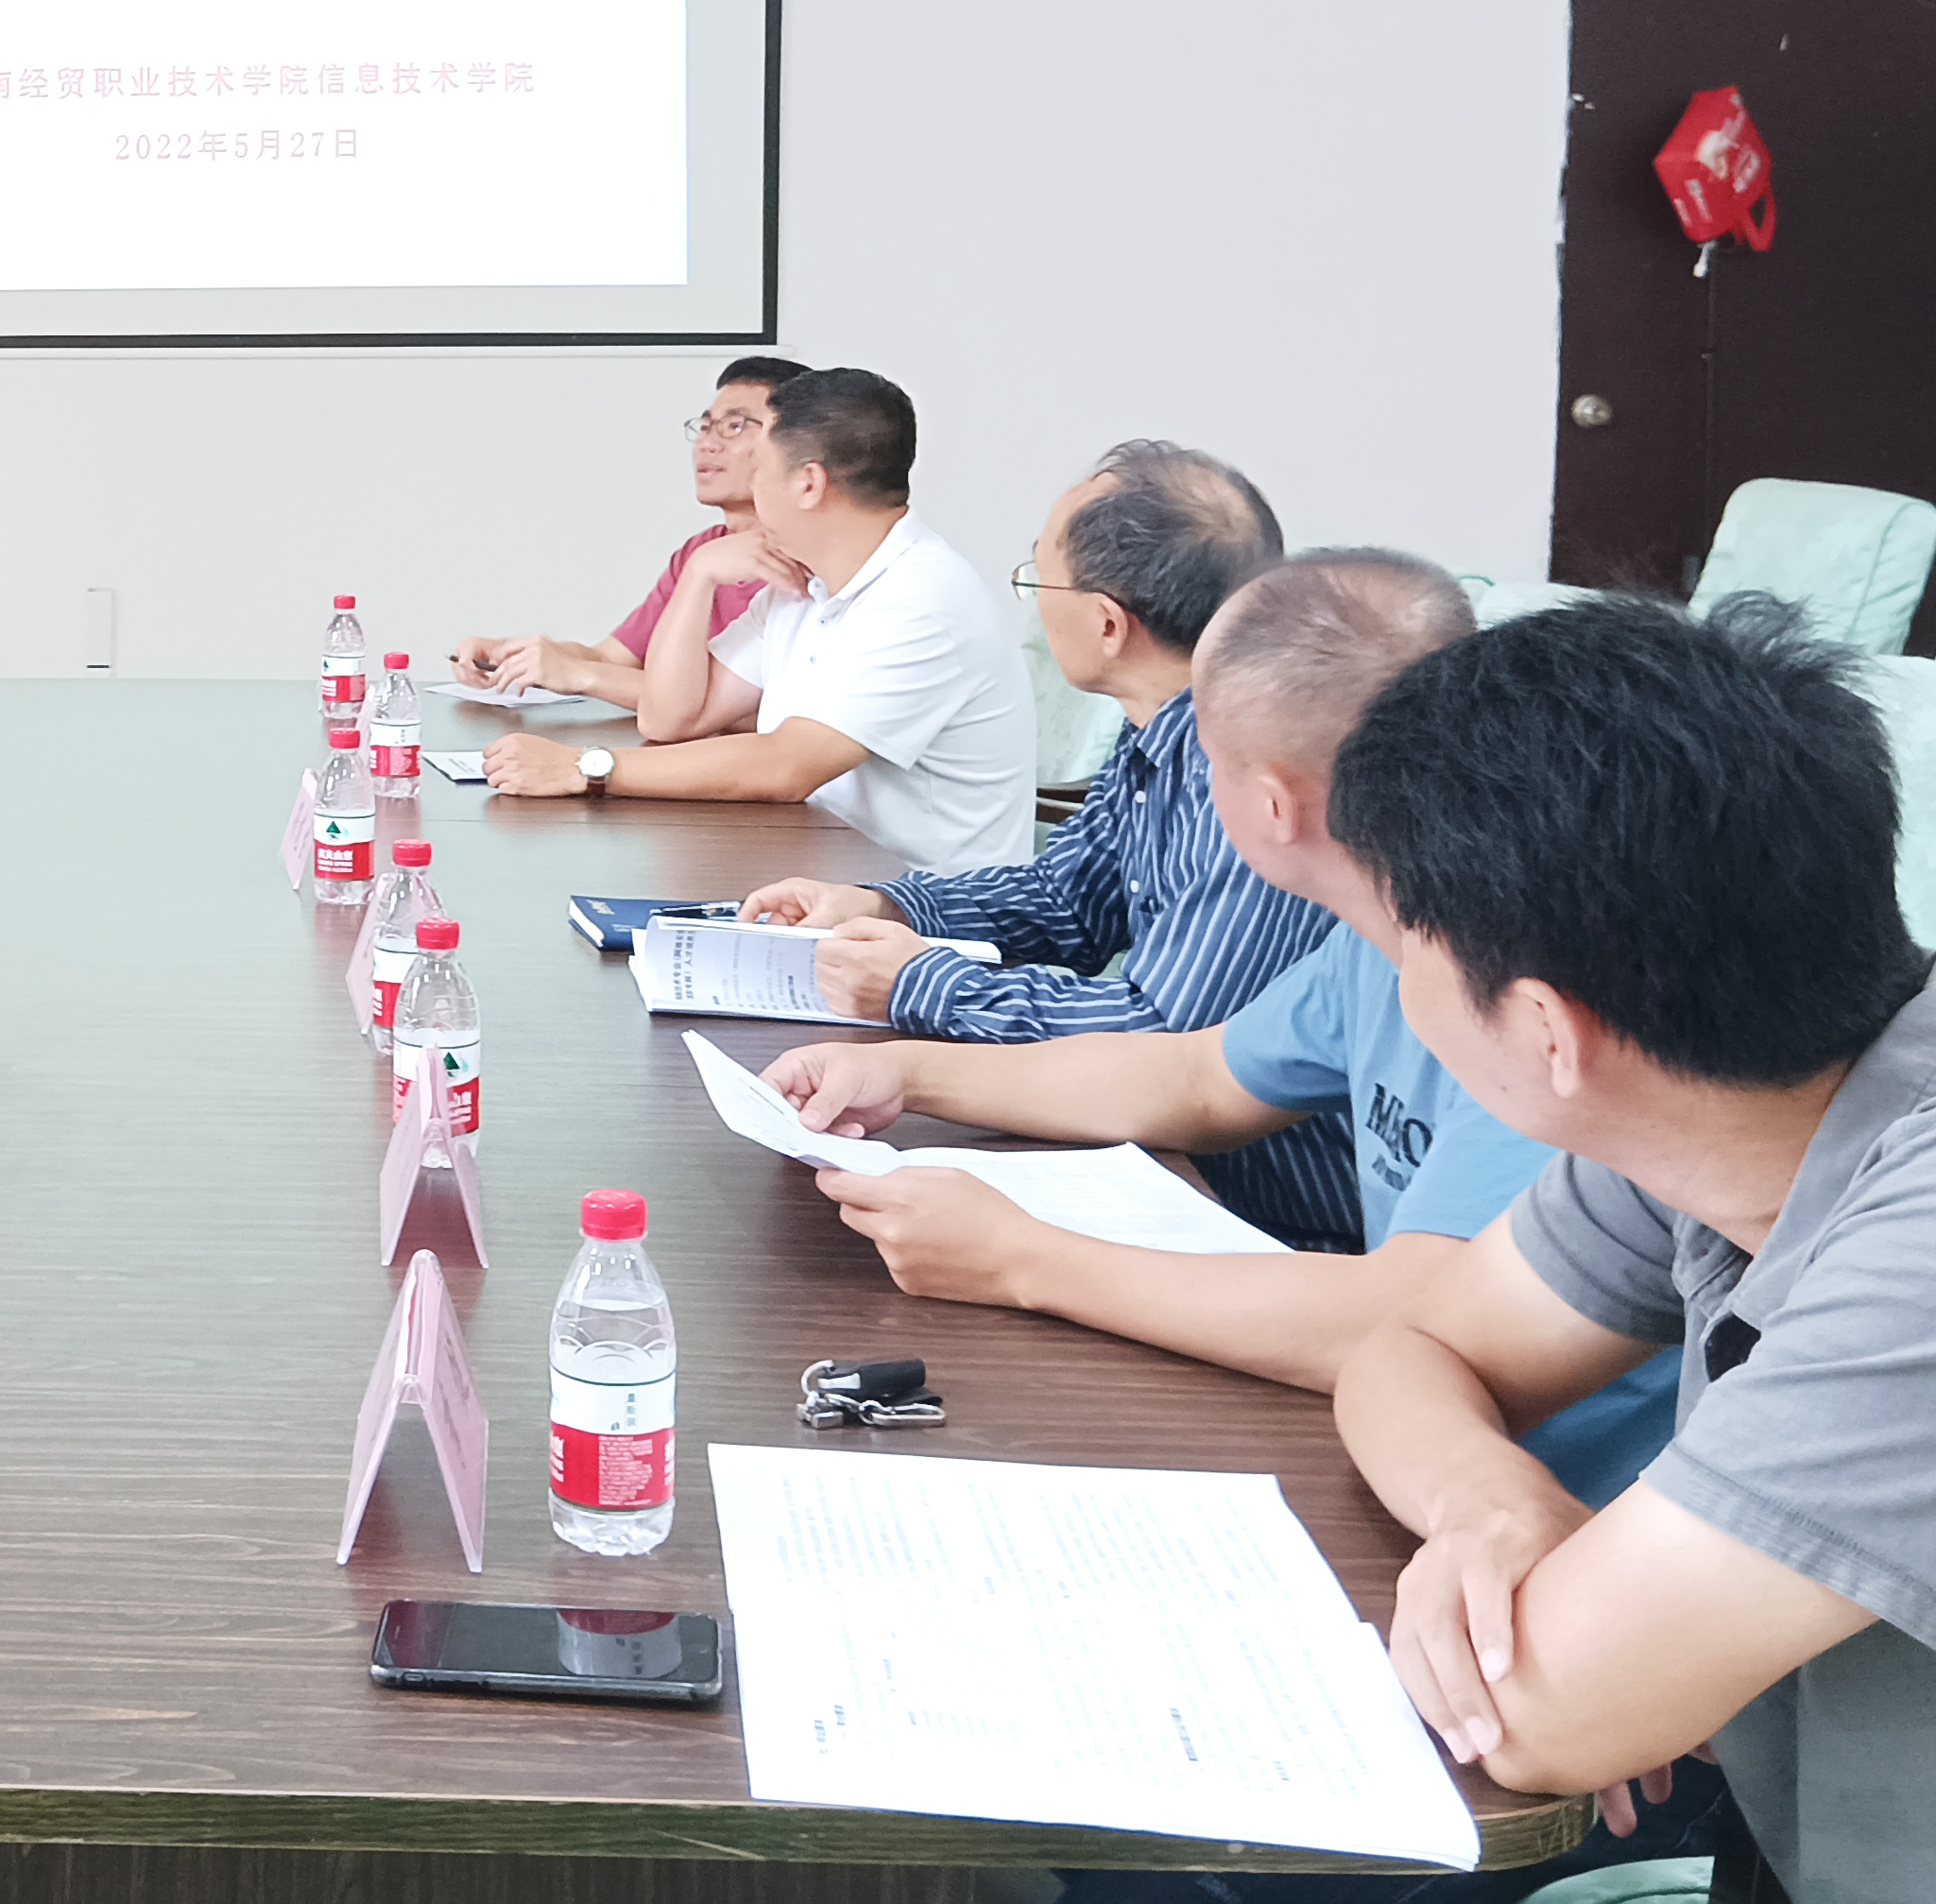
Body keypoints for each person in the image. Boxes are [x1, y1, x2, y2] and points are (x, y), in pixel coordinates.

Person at [762, 552, 1707, 1904]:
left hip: (1601, 1636)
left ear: (1261, 798)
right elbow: (1206, 1082)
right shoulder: (1400, 938)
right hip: (1448, 1521)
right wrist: (913, 1068)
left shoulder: (1544, 987)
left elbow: (1408, 1315)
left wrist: (1027, 1259)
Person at [1327, 595, 1936, 1904]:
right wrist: (1499, 1507)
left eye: (1404, 935)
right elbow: (1410, 1345)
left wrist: (1574, 1632)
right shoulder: (1726, 1103)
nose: (1392, 969)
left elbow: (1545, 1711)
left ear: (1545, 1029)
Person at [739, 443, 1354, 1246]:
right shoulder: (1159, 733)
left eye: (1038, 578)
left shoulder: (1251, 777)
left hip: (1277, 1217)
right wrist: (887, 905)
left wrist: (921, 983)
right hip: (1170, 1164)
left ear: (1107, 623)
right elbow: (1067, 898)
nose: (1030, 603)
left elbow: (1164, 1042)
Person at [480, 367, 1035, 870]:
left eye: (761, 469)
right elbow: (671, 718)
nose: (752, 487)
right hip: (830, 877)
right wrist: (699, 574)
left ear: (809, 484)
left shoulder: (920, 601)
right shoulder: (803, 587)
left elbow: (787, 766)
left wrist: (585, 767)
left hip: (932, 918)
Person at [452, 354, 809, 703]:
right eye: (705, 426)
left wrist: (578, 675)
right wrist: (510, 655)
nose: (708, 443)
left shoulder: (810, 560)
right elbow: (612, 658)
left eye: (735, 427)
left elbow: (731, 706)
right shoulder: (700, 552)